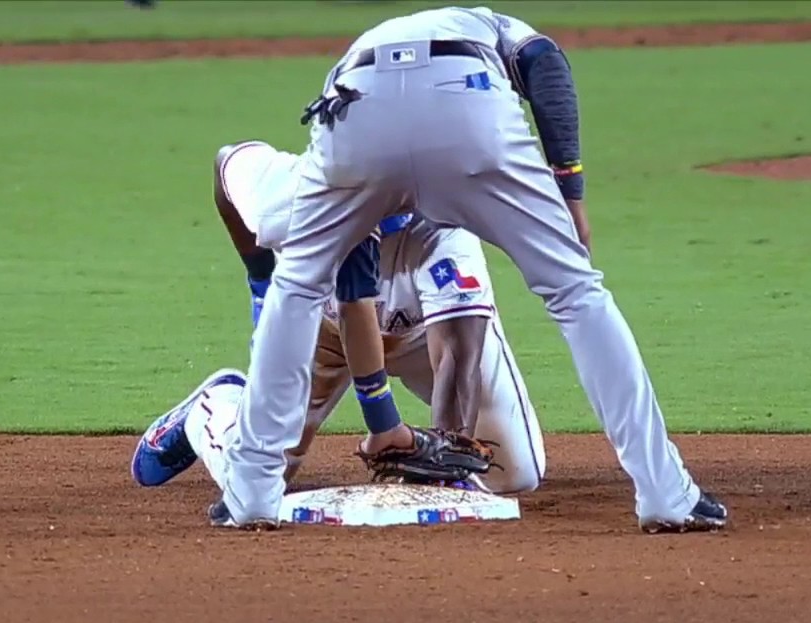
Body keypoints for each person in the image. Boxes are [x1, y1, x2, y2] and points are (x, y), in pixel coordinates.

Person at [215, 6, 728, 533]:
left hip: (356, 108)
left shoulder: (371, 56)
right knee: (576, 293)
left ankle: (251, 492)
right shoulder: (493, 24)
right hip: (465, 101)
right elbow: (545, 63)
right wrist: (570, 190)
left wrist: (261, 281)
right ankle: (665, 493)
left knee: (294, 290)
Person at [130, 140, 546, 497]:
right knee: (255, 480)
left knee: (517, 474)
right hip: (320, 332)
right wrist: (260, 282)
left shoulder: (445, 228)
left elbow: (457, 354)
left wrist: (446, 454)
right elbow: (226, 168)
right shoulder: (288, 196)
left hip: (424, 338)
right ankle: (215, 408)